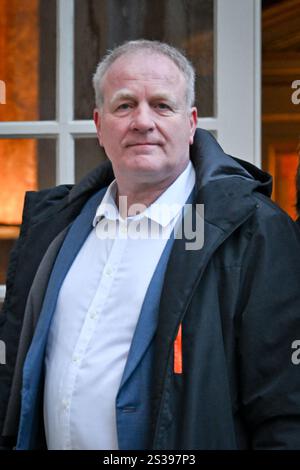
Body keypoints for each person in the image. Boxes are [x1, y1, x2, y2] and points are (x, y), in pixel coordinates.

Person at [1, 39, 300, 451]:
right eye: (124, 106)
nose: (143, 121)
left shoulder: (253, 232)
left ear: (191, 123)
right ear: (99, 125)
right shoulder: (56, 226)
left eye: (162, 105)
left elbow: (285, 408)